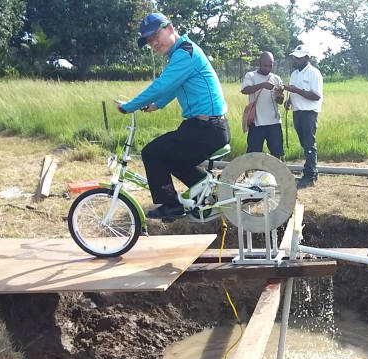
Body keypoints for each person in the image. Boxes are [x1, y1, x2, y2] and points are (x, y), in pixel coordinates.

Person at [117, 12, 229, 220]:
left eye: (154, 36)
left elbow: (162, 84)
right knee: (171, 158)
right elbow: (173, 87)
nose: (153, 44)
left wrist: (130, 106)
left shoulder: (185, 53)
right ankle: (203, 193)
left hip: (206, 129)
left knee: (151, 152)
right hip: (205, 128)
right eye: (149, 41)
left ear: (169, 28)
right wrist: (155, 105)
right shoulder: (180, 54)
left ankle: (171, 205)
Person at [284, 44, 323, 189]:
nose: (296, 60)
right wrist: (289, 100)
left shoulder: (314, 73)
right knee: (305, 144)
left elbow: (316, 96)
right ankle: (312, 172)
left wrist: (297, 91)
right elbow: (294, 92)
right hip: (297, 112)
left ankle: (309, 177)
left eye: (299, 58)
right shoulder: (295, 74)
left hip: (309, 113)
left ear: (307, 58)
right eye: (295, 58)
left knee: (309, 145)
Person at [240, 52, 285, 158]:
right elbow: (245, 90)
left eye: (270, 65)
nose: (268, 68)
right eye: (265, 65)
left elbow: (280, 101)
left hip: (274, 123)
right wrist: (263, 85)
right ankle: (252, 174)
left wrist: (279, 96)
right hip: (257, 123)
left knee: (277, 154)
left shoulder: (276, 78)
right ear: (259, 63)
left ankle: (275, 174)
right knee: (253, 155)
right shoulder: (251, 75)